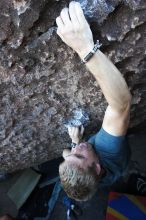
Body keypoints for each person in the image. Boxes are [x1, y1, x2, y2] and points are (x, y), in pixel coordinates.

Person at [56, 1, 132, 201]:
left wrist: (76, 143)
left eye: (72, 154)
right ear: (97, 167)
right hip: (120, 159)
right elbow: (121, 106)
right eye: (79, 155)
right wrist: (84, 48)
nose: (74, 151)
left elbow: (67, 154)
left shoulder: (91, 177)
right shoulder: (108, 148)